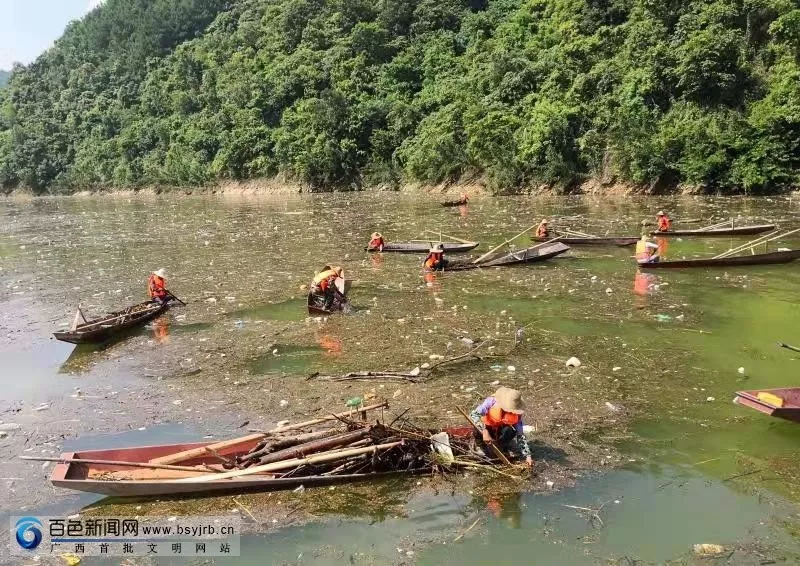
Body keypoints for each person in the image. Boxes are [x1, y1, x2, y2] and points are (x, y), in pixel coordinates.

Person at [470, 387, 533, 467]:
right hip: (486, 428)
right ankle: (480, 446)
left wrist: (527, 456)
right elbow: (473, 415)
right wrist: (484, 431)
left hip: (501, 432)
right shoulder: (491, 402)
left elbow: (520, 435)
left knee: (511, 430)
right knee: (476, 430)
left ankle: (501, 446)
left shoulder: (517, 414)